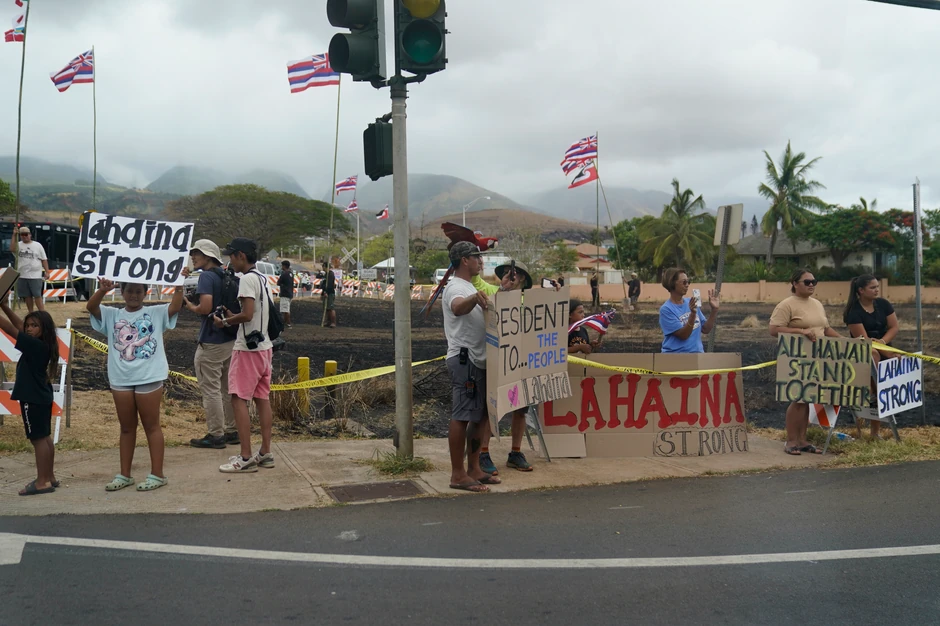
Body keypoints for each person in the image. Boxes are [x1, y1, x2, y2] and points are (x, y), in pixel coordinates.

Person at [87, 278, 185, 491]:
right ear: (121, 291)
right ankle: (124, 475)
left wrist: (179, 285)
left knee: (152, 426)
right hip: (120, 379)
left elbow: (176, 305)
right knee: (126, 428)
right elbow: (91, 307)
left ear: (146, 292)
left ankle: (157, 474)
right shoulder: (112, 315)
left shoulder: (157, 312)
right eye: (129, 290)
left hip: (149, 377)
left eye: (138, 291)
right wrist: (102, 291)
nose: (133, 295)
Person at [443, 241, 502, 492]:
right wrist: (473, 298)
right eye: (477, 257)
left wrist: (505, 290)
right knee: (462, 415)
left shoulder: (468, 286)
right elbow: (457, 308)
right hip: (465, 359)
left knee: (479, 416)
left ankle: (474, 468)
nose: (481, 261)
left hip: (479, 359)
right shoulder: (456, 287)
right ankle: (458, 474)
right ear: (464, 260)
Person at [214, 238, 276, 473]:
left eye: (231, 255)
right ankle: (265, 453)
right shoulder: (263, 278)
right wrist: (235, 315)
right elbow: (255, 312)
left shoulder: (247, 279)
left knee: (238, 398)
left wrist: (226, 321)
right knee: (262, 399)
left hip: (247, 349)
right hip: (264, 347)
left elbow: (248, 315)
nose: (229, 259)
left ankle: (246, 456)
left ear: (241, 255)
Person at [770, 268, 841, 455]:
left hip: (817, 357)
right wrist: (800, 332)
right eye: (807, 282)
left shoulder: (817, 304)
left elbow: (825, 329)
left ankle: (802, 440)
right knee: (798, 398)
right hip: (797, 357)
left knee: (808, 397)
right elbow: (774, 329)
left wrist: (845, 341)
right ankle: (791, 441)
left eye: (814, 282)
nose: (811, 285)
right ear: (794, 284)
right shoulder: (786, 305)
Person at [473, 260, 535, 474]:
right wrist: (502, 289)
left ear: (524, 279)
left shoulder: (531, 300)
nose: (513, 276)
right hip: (498, 358)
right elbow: (477, 285)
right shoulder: (492, 290)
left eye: (517, 274)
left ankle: (515, 452)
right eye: (510, 273)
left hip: (521, 360)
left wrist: (555, 292)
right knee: (491, 407)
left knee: (520, 408)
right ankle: (483, 452)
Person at [0, 295, 58, 496]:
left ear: (44, 330)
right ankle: (49, 476)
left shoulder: (34, 346)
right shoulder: (43, 345)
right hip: (41, 397)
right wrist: (4, 306)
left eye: (35, 326)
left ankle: (42, 481)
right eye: (29, 325)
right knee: (45, 437)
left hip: (31, 399)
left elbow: (10, 329)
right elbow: (19, 326)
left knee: (37, 439)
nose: (29, 328)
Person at [184, 239, 238, 450]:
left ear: (207, 256)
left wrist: (191, 306)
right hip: (229, 338)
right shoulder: (227, 275)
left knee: (211, 390)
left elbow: (205, 308)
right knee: (227, 388)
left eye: (197, 253)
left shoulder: (206, 277)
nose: (193, 257)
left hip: (211, 341)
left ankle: (216, 434)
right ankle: (232, 431)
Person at [844, 274, 899, 439]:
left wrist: (883, 342)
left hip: (883, 347)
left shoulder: (883, 304)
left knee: (882, 389)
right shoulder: (853, 312)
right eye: (872, 287)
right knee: (873, 359)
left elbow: (894, 327)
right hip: (863, 353)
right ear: (861, 290)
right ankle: (861, 430)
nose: (877, 290)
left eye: (877, 286)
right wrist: (886, 351)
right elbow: (865, 341)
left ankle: (875, 433)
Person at [659, 268, 719, 353]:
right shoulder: (666, 309)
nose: (687, 285)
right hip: (676, 358)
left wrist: (714, 310)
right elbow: (684, 335)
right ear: (672, 283)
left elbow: (705, 329)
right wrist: (693, 314)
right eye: (684, 282)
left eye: (688, 282)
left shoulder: (690, 302)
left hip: (697, 355)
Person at [12, 226, 50, 313]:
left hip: (35, 276)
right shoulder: (18, 245)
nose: (24, 236)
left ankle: (42, 312)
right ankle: (31, 312)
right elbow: (12, 249)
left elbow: (44, 259)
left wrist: (47, 271)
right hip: (22, 275)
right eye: (22, 235)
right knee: (27, 296)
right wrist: (14, 235)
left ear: (30, 235)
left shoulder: (37, 245)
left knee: (37, 295)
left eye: (26, 234)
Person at [322, 256, 339, 328]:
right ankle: (328, 322)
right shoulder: (326, 274)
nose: (322, 268)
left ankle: (333, 322)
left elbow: (329, 284)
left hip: (330, 293)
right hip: (326, 293)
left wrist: (326, 292)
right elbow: (324, 284)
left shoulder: (331, 274)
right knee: (327, 308)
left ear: (325, 267)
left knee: (331, 308)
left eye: (323, 267)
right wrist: (323, 292)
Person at [278, 260, 294, 328]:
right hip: (290, 293)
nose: (281, 267)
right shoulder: (291, 274)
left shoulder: (284, 274)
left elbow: (278, 282)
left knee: (285, 310)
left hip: (284, 293)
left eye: (282, 265)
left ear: (284, 266)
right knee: (287, 309)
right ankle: (284, 322)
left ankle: (288, 323)